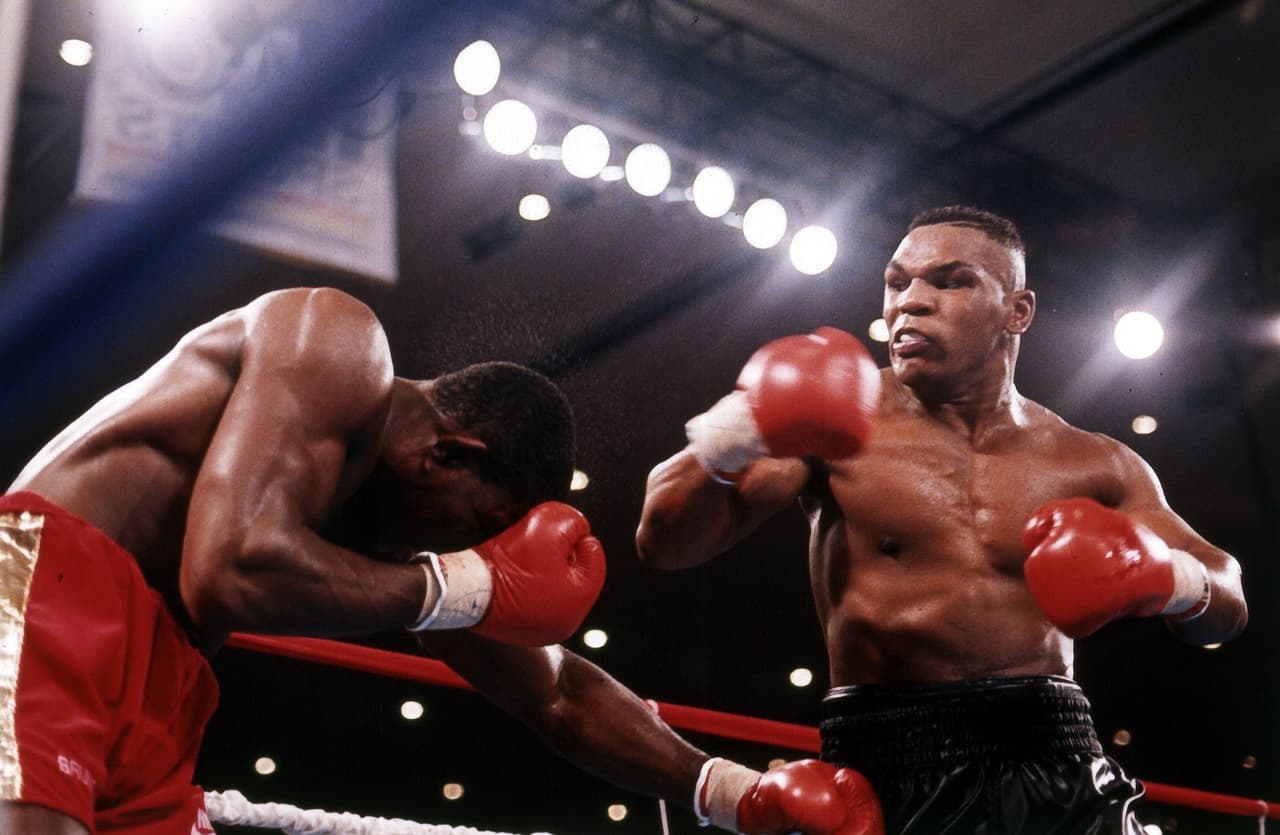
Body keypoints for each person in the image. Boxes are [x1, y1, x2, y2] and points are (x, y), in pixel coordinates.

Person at [1, 286, 883, 835]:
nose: (466, 556)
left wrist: (732, 791)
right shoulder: (335, 340)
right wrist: (465, 584)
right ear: (447, 455)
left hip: (166, 682)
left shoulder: (401, 537)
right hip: (50, 587)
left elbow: (556, 693)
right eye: (479, 527)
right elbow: (226, 567)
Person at [636, 205, 1249, 834]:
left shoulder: (1095, 462)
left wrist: (1168, 577)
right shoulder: (836, 425)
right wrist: (740, 427)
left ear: (1018, 311)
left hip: (1058, 757)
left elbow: (1226, 602)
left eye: (949, 281)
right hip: (888, 763)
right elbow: (664, 543)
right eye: (898, 283)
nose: (910, 303)